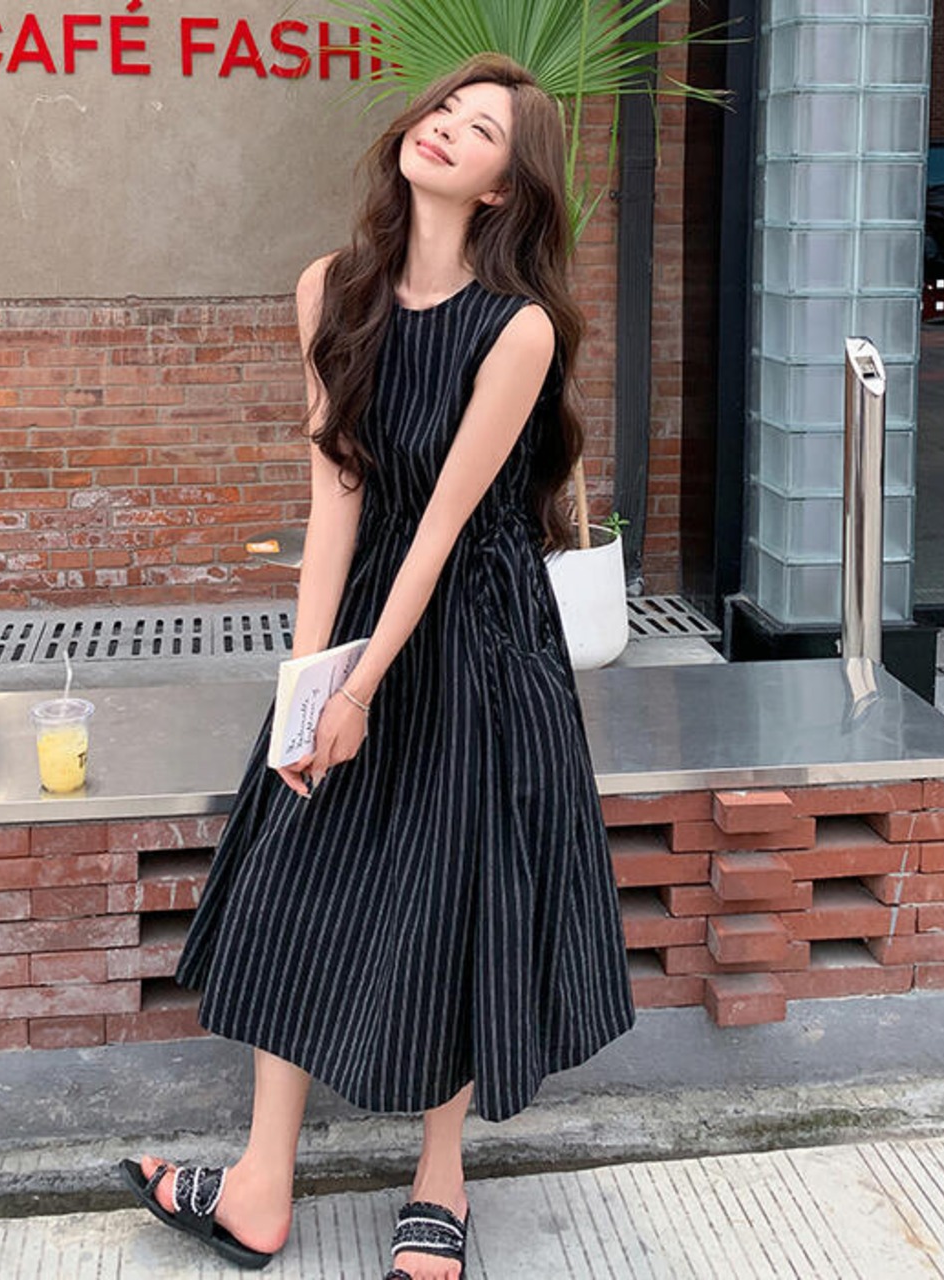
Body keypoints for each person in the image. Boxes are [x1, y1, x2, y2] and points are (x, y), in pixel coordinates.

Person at [120, 52, 636, 1280]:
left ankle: (438, 1179)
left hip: (477, 633)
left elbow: (448, 528)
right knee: (292, 870)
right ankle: (261, 1181)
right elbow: (336, 499)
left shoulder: (516, 328)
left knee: (453, 893)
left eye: (480, 127)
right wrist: (310, 685)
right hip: (364, 611)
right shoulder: (329, 289)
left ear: (504, 187)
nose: (445, 127)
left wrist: (359, 691)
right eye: (443, 108)